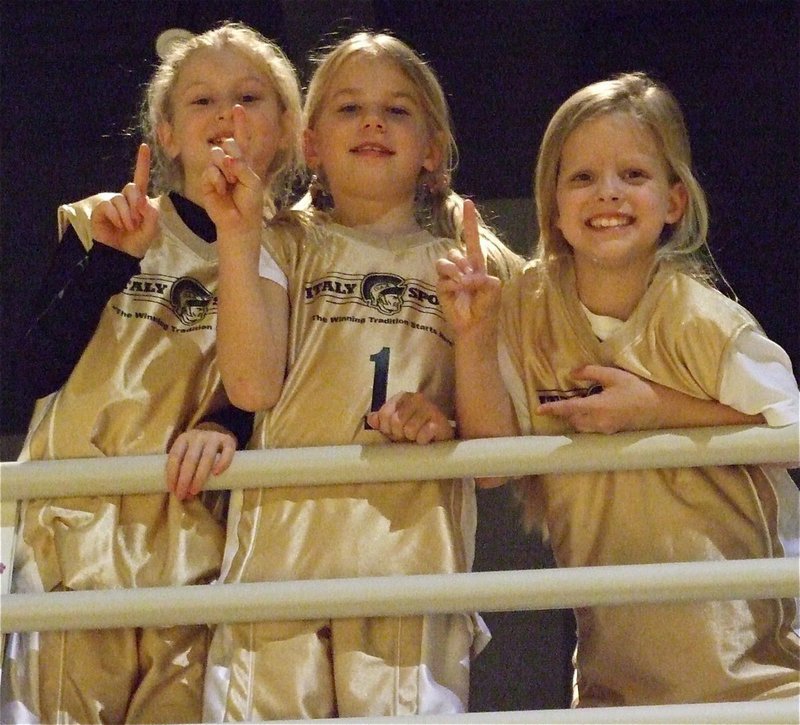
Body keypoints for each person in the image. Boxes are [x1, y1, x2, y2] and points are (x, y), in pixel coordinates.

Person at [436, 71, 800, 707]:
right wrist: (472, 335)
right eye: (582, 177)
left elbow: (793, 432)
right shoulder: (526, 310)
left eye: (633, 175)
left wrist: (656, 411)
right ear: (551, 201)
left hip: (762, 675)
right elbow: (490, 463)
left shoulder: (704, 319)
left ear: (675, 201)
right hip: (616, 681)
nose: (608, 193)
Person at [197, 31, 523, 720]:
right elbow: (252, 387)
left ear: (432, 149)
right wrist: (237, 234)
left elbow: (496, 455)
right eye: (349, 108)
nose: (373, 122)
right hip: (276, 563)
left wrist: (449, 414)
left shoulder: (475, 260)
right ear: (310, 143)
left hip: (407, 567)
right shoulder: (283, 238)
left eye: (397, 110)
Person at [1, 23, 302, 724]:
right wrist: (111, 261)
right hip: (72, 549)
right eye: (201, 101)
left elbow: (272, 385)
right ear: (165, 133)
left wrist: (227, 421)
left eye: (249, 97)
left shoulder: (298, 248)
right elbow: (32, 371)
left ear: (286, 129)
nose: (226, 116)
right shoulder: (101, 221)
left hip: (200, 554)